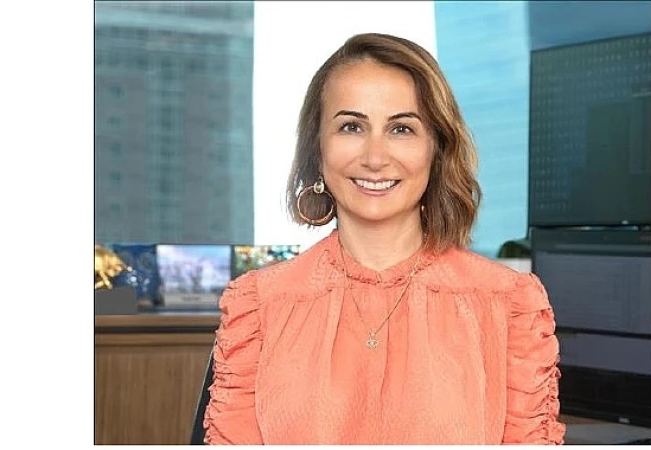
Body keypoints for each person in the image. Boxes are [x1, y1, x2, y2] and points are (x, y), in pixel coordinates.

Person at [203, 32, 565, 445]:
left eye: (401, 129)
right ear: (317, 149)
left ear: (436, 150)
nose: (375, 158)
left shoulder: (510, 307)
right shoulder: (258, 309)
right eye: (351, 126)